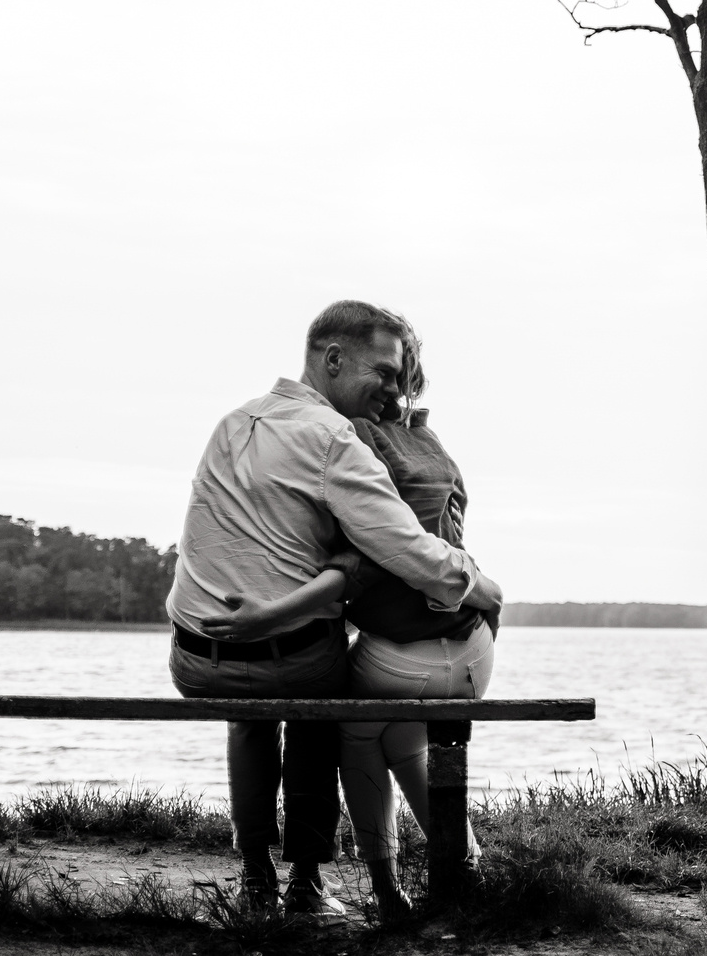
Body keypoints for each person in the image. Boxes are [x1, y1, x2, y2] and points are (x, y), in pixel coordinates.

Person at [167, 300, 501, 917]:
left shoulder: (233, 422)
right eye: (383, 371)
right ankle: (307, 884)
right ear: (333, 358)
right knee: (325, 704)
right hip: (287, 663)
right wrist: (477, 585)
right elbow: (403, 546)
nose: (393, 389)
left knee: (251, 716)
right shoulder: (333, 439)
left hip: (193, 660)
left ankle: (255, 875)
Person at [335, 341, 498, 923]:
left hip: (405, 655)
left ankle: (386, 888)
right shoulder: (433, 443)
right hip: (475, 648)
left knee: (356, 733)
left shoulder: (354, 438)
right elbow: (453, 531)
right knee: (402, 741)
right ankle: (466, 870)